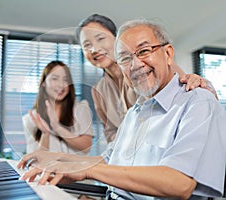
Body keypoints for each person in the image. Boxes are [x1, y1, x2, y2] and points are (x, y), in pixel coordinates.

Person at [18, 19, 226, 199]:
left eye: (144, 51)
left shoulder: (195, 100)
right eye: (125, 58)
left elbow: (180, 183)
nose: (135, 64)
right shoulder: (135, 109)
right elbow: (111, 157)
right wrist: (59, 159)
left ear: (168, 53)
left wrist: (89, 170)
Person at [76, 14, 218, 144]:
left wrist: (199, 83)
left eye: (100, 38)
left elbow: (188, 89)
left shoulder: (149, 68)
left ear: (116, 39)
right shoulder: (98, 90)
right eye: (87, 45)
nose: (94, 49)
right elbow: (110, 133)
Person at [22, 60, 94, 155]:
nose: (61, 85)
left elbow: (86, 147)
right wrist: (45, 133)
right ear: (43, 83)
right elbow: (37, 159)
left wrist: (57, 128)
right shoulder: (31, 118)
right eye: (55, 79)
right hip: (48, 169)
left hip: (77, 169)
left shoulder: (81, 109)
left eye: (65, 80)